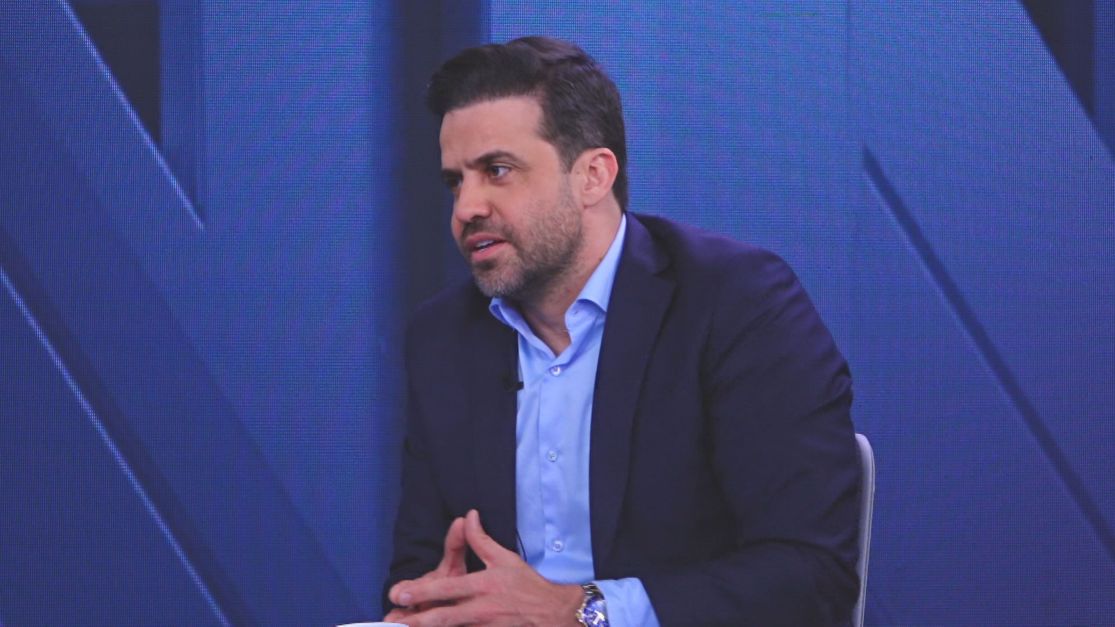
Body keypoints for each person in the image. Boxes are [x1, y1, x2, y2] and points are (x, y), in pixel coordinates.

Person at [384, 36, 861, 626]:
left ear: (593, 176)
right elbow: (419, 569)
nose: (466, 208)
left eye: (497, 171)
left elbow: (811, 574)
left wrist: (582, 612)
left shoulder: (735, 303)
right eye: (456, 182)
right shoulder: (442, 338)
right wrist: (426, 606)